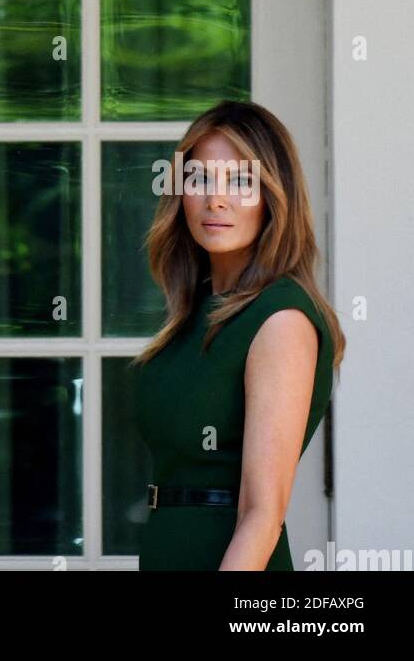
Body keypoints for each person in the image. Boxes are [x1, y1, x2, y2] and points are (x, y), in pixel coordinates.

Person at [131, 99, 345, 571]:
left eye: (241, 182)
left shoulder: (280, 319)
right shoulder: (194, 314)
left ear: (274, 195)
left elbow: (262, 515)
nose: (217, 199)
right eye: (200, 179)